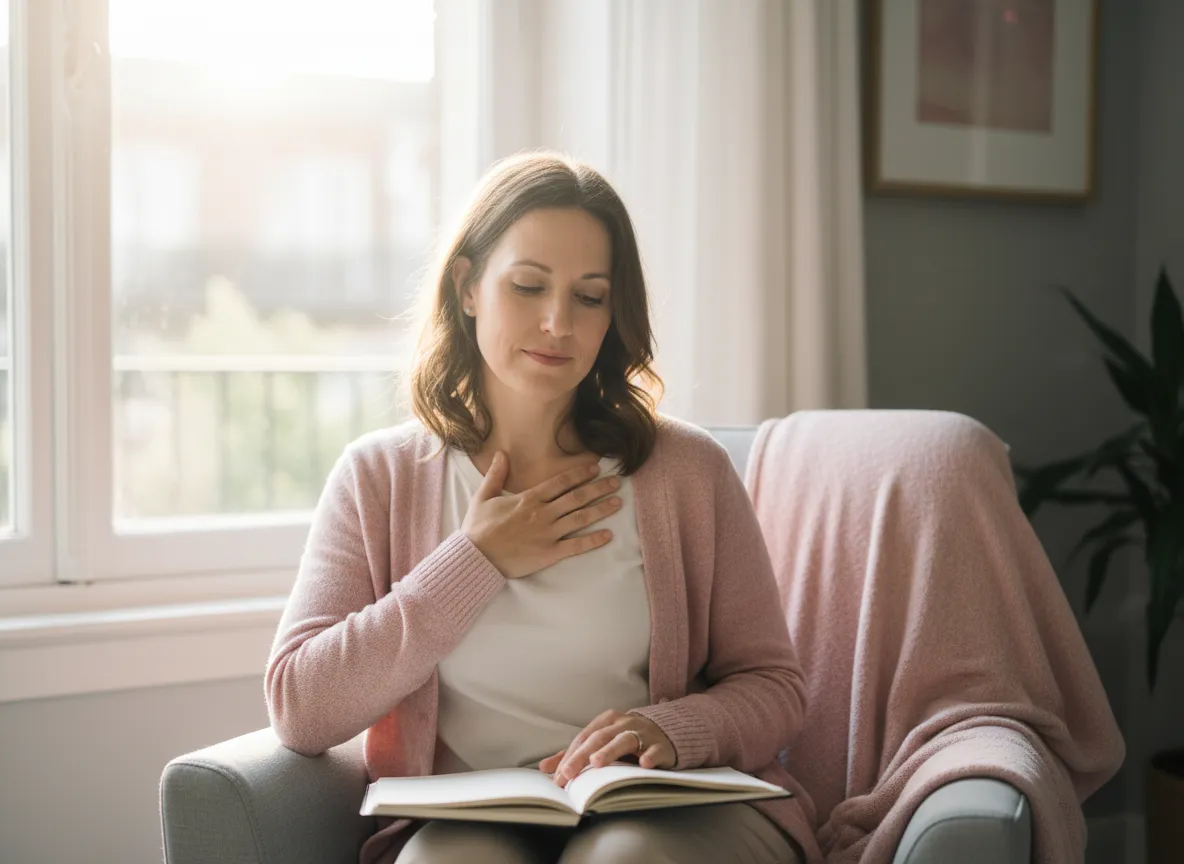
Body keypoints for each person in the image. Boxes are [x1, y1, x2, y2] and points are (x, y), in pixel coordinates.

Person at [265, 151, 819, 864]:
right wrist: (475, 561)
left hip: (668, 806)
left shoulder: (686, 471)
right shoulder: (380, 477)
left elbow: (775, 687)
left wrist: (673, 729)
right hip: (470, 817)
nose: (558, 322)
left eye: (589, 297)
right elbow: (300, 708)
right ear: (467, 286)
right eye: (528, 286)